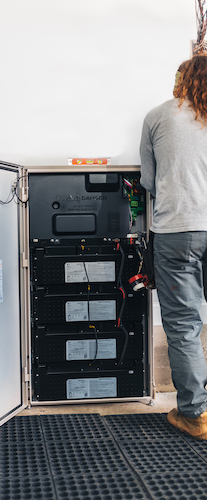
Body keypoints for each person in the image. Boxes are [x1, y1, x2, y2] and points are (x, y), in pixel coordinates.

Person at [140, 53, 207, 440]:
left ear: (180, 80)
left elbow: (149, 181)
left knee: (183, 325)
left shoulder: (159, 116)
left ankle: (194, 414)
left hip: (179, 231)